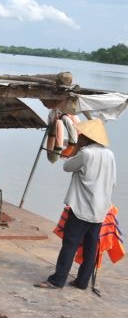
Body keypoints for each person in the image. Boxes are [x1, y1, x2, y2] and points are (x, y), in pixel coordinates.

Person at [34, 118, 116, 290]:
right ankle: (82, 281)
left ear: (87, 137)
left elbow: (67, 166)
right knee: (91, 247)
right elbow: (112, 181)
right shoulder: (109, 154)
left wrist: (77, 147)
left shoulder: (86, 153)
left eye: (81, 135)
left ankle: (57, 280)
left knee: (70, 244)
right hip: (100, 209)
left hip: (82, 208)